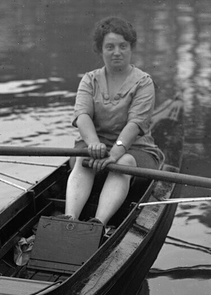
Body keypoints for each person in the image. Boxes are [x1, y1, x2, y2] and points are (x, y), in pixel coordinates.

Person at [63, 17, 163, 226]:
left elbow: (135, 124)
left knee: (122, 163)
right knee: (83, 160)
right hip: (94, 150)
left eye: (122, 46)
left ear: (130, 48)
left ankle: (98, 223)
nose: (116, 52)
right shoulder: (90, 80)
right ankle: (69, 220)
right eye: (110, 47)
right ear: (100, 50)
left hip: (135, 152)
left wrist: (116, 152)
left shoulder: (143, 82)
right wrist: (93, 144)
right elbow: (82, 116)